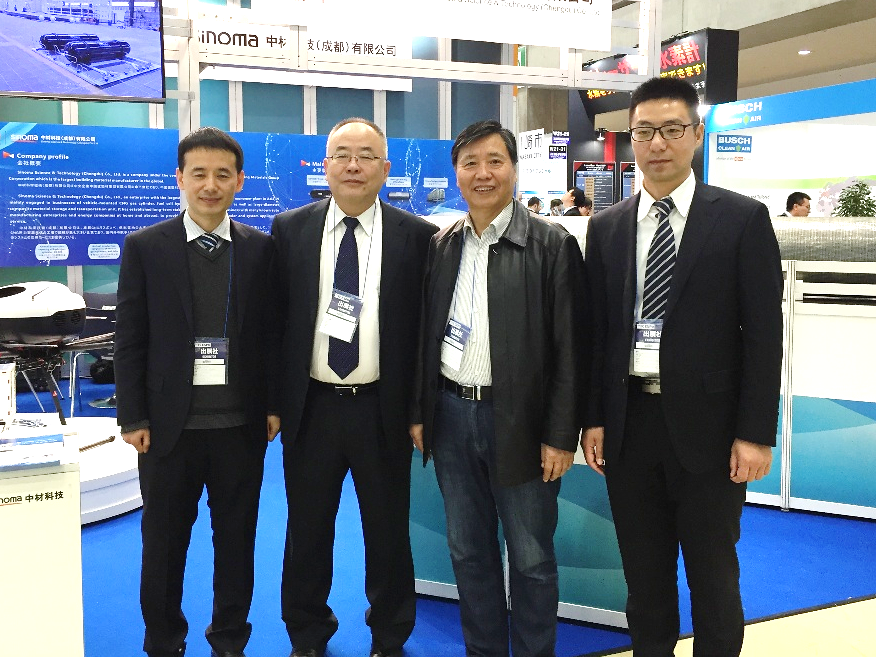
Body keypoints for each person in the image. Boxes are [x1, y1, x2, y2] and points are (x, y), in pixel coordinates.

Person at [582, 77, 783, 657]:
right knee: (644, 579)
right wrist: (595, 418)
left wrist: (755, 433)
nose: (657, 143)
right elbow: (598, 333)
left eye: (671, 129)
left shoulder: (741, 218)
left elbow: (764, 337)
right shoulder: (608, 226)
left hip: (712, 432)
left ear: (696, 134)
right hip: (630, 427)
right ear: (631, 138)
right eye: (644, 131)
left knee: (713, 576)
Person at [410, 120, 585, 657]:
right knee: (468, 553)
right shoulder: (442, 244)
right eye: (470, 163)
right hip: (450, 415)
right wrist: (421, 413)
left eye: (494, 161)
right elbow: (425, 336)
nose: (482, 174)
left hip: (522, 423)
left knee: (531, 559)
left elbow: (571, 350)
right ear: (456, 173)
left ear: (514, 168)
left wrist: (561, 435)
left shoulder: (552, 245)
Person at [271, 117, 437, 657]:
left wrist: (418, 409)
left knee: (387, 533)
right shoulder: (290, 229)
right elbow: (275, 323)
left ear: (385, 169)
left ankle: (389, 634)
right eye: (342, 154)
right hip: (311, 407)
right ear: (325, 165)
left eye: (366, 156)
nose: (353, 165)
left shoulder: (417, 237)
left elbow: (424, 334)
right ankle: (307, 633)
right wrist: (274, 402)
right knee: (307, 531)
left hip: (381, 408)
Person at [115, 127, 281, 657]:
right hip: (168, 429)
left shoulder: (261, 249)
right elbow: (130, 337)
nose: (211, 185)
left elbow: (272, 335)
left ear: (239, 181)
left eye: (223, 174)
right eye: (200, 174)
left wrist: (273, 404)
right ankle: (164, 640)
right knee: (164, 545)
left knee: (236, 542)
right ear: (180, 179)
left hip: (240, 427)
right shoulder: (146, 246)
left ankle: (229, 638)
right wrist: (132, 416)